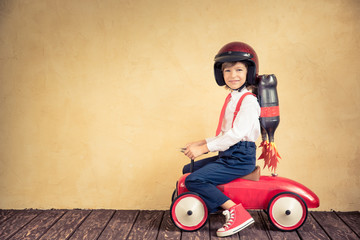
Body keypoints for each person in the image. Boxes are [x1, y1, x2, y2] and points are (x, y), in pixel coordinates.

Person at [182, 42, 261, 237]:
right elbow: (225, 134)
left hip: (240, 158)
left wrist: (205, 149)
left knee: (195, 179)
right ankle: (209, 206)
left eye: (239, 69)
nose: (233, 75)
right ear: (221, 74)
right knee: (187, 170)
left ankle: (237, 212)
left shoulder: (249, 101)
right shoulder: (234, 97)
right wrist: (201, 142)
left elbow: (234, 136)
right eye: (227, 70)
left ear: (249, 72)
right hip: (229, 154)